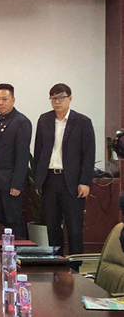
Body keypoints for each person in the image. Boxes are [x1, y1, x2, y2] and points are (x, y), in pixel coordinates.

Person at [34, 83, 95, 255]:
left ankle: (75, 265)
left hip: (72, 181)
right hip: (49, 179)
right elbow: (38, 151)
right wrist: (39, 179)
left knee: (74, 226)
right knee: (52, 226)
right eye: (53, 98)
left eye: (61, 98)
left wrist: (85, 182)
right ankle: (57, 263)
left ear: (70, 98)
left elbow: (88, 154)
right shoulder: (44, 120)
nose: (57, 102)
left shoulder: (82, 122)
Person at [0, 83, 32, 238]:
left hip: (10, 181)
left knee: (14, 220)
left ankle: (19, 251)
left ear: (13, 100)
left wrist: (17, 183)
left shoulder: (21, 122)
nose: (0, 102)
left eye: (4, 99)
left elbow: (23, 155)